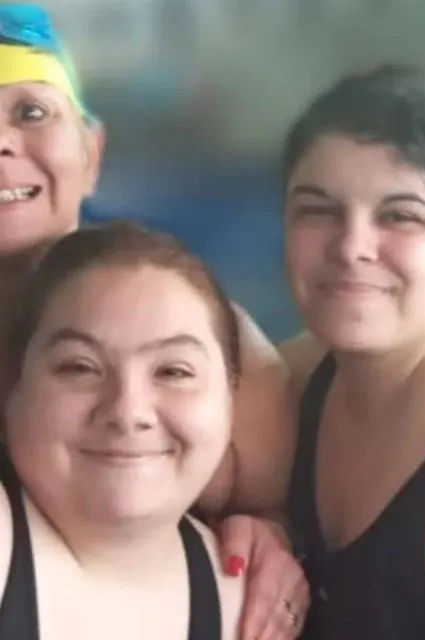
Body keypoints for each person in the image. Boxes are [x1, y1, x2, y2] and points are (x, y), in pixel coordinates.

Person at [0, 5, 308, 636]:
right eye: (79, 367)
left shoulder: (217, 351)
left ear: (92, 151)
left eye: (31, 112)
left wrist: (266, 541)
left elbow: (277, 512)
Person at [213, 63, 425, 639]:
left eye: (401, 216)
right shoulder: (292, 379)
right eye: (318, 210)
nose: (351, 246)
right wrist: (258, 526)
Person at [0, 219, 249, 638]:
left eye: (173, 371)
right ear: (11, 389)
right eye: (80, 367)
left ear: (230, 395)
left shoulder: (246, 605)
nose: (127, 411)